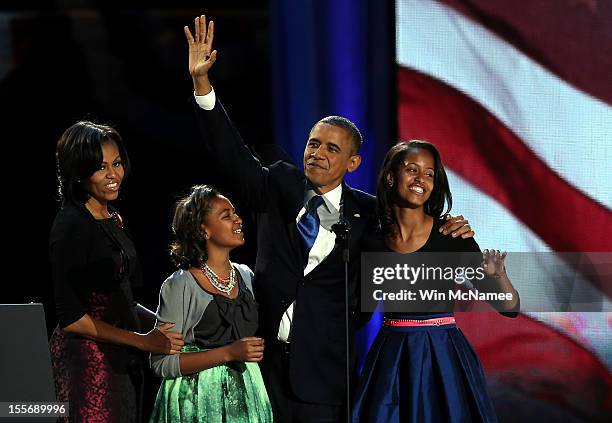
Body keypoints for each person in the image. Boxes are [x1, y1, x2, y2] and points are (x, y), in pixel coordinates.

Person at [183, 16, 474, 422]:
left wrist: (447, 229)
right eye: (313, 143)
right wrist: (203, 86)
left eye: (331, 149)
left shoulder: (372, 214)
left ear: (353, 162)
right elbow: (230, 154)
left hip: (325, 377)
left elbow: (410, 239)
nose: (317, 153)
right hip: (258, 368)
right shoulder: (279, 184)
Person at [352, 141, 520, 423]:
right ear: (391, 177)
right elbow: (361, 312)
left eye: (429, 174)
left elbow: (509, 307)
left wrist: (499, 276)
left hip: (443, 355)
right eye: (412, 170)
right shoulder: (372, 241)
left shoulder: (450, 236)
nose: (421, 179)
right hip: (392, 358)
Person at [49, 121, 185, 422]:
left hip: (121, 361)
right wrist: (144, 340)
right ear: (79, 172)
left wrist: (170, 328)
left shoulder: (114, 219)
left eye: (117, 163)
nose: (114, 175)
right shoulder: (70, 225)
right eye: (101, 167)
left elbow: (123, 298)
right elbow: (72, 318)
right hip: (88, 365)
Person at [149, 184, 273, 422]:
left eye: (235, 213)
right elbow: (161, 363)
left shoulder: (246, 276)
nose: (238, 220)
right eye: (226, 216)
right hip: (197, 401)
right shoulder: (180, 285)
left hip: (247, 396)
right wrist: (228, 353)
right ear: (203, 230)